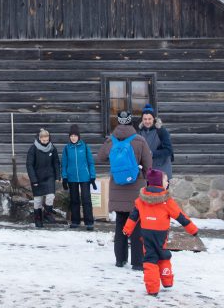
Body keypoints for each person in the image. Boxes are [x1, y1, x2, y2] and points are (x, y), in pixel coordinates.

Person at [123, 169, 199, 296]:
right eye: (165, 180)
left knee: (150, 258)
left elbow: (133, 216)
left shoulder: (141, 200)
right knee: (163, 255)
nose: (167, 182)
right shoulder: (167, 201)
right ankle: (167, 281)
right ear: (159, 183)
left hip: (146, 234)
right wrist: (193, 229)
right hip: (161, 234)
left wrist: (127, 230)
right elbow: (181, 216)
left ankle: (152, 288)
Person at [97, 110, 153, 268]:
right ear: (131, 122)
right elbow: (149, 166)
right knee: (136, 225)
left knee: (120, 224)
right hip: (136, 189)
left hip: (117, 186)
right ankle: (137, 262)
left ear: (118, 122)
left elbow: (100, 157)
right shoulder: (139, 140)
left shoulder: (111, 140)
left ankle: (120, 260)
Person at [61, 124, 96, 230]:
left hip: (85, 177)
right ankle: (75, 221)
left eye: (75, 135)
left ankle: (89, 222)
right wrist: (64, 177)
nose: (73, 137)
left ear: (78, 136)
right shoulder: (67, 148)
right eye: (71, 136)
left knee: (86, 200)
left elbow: (91, 162)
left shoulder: (85, 147)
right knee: (74, 200)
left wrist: (92, 176)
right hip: (72, 178)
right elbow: (64, 164)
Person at [26, 128, 61, 228]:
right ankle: (38, 219)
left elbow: (56, 162)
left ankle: (47, 213)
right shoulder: (33, 149)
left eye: (47, 140)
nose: (45, 142)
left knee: (50, 196)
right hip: (37, 177)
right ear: (39, 138)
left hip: (49, 176)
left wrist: (58, 175)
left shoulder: (52, 148)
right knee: (38, 200)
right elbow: (29, 165)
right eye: (43, 140)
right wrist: (33, 179)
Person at [135, 104, 174, 179]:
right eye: (145, 119)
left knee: (160, 191)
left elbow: (168, 150)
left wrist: (152, 153)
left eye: (149, 119)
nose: (147, 121)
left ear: (154, 119)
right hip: (147, 169)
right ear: (142, 120)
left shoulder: (161, 131)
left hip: (161, 169)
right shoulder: (139, 132)